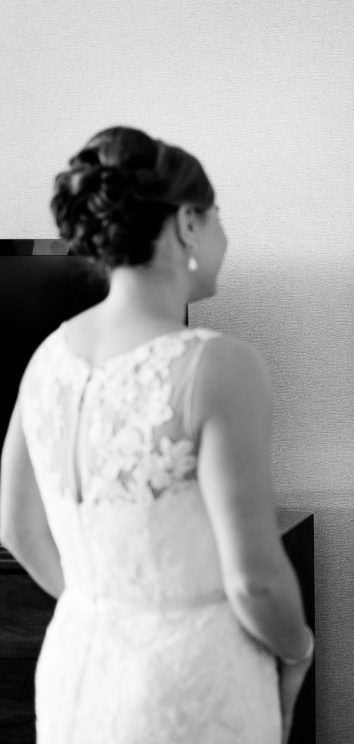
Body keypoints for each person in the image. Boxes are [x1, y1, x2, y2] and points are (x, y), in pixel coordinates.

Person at [0, 126, 313, 744]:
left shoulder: (47, 359)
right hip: (187, 682)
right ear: (187, 224)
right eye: (218, 214)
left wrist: (106, 609)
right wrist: (299, 648)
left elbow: (16, 525)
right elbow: (254, 580)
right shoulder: (218, 365)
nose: (225, 232)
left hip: (77, 667)